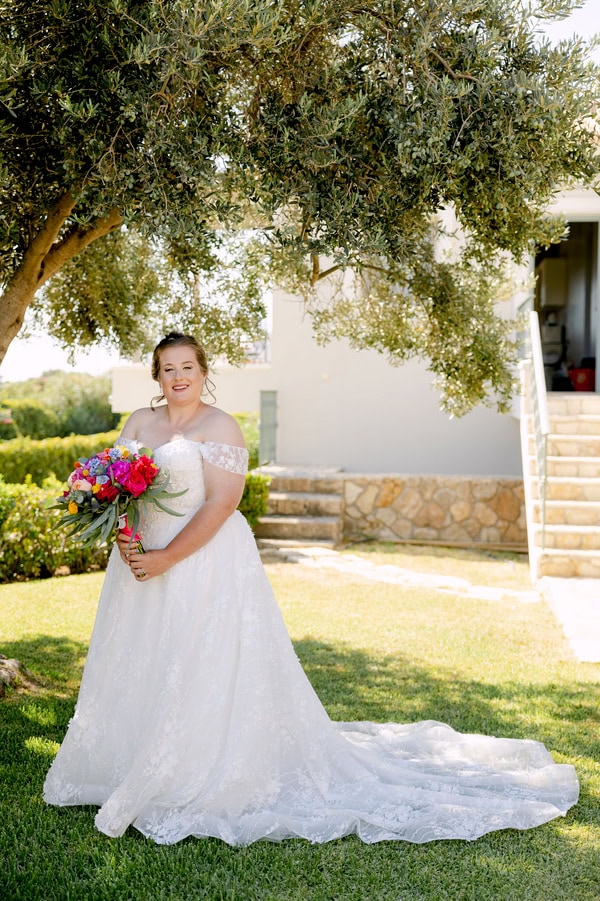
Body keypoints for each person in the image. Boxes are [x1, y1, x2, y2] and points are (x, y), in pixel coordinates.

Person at [44, 332, 579, 846]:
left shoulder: (221, 426)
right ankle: (125, 759)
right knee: (143, 655)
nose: (178, 376)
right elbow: (118, 491)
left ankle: (187, 766)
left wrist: (166, 558)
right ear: (156, 376)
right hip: (139, 560)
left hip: (202, 562)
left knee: (195, 659)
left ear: (203, 372)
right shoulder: (139, 421)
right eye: (168, 369)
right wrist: (128, 541)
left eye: (188, 366)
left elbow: (221, 504)